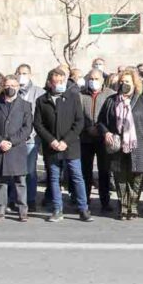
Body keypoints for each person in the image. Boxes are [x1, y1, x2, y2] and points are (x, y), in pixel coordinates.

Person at [34, 68, 90, 223]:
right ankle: (57, 209)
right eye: (56, 82)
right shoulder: (42, 100)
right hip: (51, 146)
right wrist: (51, 140)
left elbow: (79, 122)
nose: (59, 84)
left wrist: (65, 141)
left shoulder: (73, 97)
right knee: (54, 177)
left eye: (62, 81)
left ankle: (83, 208)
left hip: (70, 146)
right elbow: (38, 124)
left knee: (77, 176)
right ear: (49, 83)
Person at [98, 68, 143, 220]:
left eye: (127, 82)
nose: (123, 85)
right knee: (120, 177)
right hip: (117, 145)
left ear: (134, 84)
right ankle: (123, 206)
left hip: (138, 145)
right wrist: (106, 132)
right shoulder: (111, 101)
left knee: (137, 177)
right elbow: (101, 122)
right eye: (121, 82)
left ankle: (133, 206)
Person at [0, 74, 34, 222]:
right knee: (1, 181)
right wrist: (0, 141)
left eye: (13, 86)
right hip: (0, 148)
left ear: (18, 87)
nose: (10, 88)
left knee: (20, 180)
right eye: (7, 85)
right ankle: (0, 210)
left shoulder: (25, 105)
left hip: (17, 148)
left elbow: (27, 128)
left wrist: (11, 142)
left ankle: (22, 210)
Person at [78, 68, 112, 213]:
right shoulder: (80, 95)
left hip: (103, 139)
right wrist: (87, 128)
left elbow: (111, 115)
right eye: (91, 79)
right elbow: (77, 115)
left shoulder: (110, 94)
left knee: (104, 171)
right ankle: (84, 200)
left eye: (96, 79)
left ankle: (105, 201)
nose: (93, 81)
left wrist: (101, 129)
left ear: (102, 80)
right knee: (85, 171)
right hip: (85, 138)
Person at [13, 64, 45, 210]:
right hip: (14, 138)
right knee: (14, 170)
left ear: (30, 74)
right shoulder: (12, 91)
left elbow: (41, 117)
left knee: (30, 171)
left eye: (24, 73)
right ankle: (15, 199)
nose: (22, 76)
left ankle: (30, 199)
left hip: (31, 138)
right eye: (19, 73)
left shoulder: (39, 92)